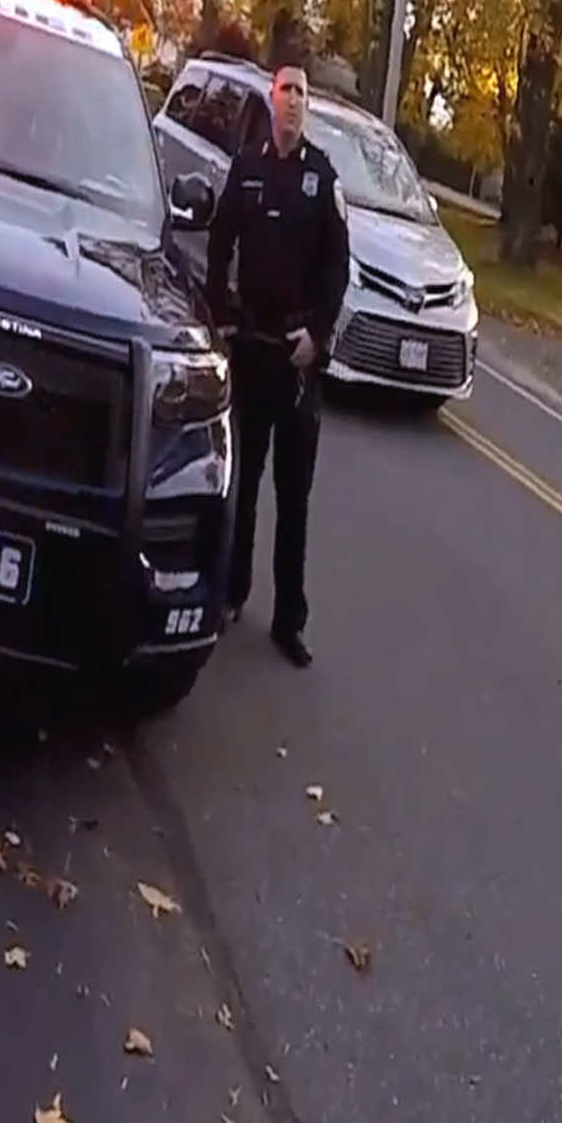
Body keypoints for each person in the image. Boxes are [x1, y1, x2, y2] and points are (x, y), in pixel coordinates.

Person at [206, 51, 350, 667]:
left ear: (307, 108)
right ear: (271, 99)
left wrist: (317, 338)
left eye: (302, 93)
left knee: (295, 498)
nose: (293, 100)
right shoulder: (247, 169)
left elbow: (338, 270)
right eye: (285, 88)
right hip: (253, 350)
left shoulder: (324, 180)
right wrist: (223, 312)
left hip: (297, 361)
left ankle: (289, 619)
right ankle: (231, 592)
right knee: (244, 485)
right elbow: (218, 242)